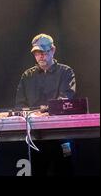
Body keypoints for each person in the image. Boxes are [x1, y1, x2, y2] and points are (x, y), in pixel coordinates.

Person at [15, 33, 76, 175]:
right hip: (36, 136)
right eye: (37, 53)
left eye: (44, 52)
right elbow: (20, 104)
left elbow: (65, 98)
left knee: (64, 171)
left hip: (61, 134)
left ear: (53, 50)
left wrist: (44, 112)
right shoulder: (27, 76)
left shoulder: (66, 72)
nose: (41, 56)